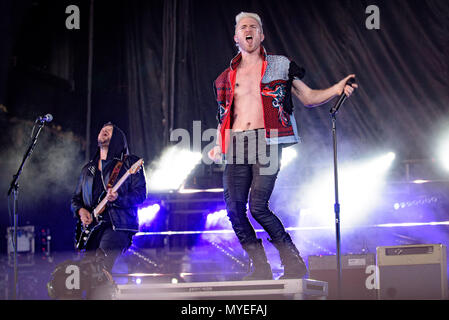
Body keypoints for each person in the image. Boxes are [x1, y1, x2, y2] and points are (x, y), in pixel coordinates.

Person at [208, 12, 357, 280]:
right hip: (236, 143)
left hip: (267, 140)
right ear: (236, 37)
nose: (249, 29)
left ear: (261, 35)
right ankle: (261, 267)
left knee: (258, 207)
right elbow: (224, 116)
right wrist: (219, 144)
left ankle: (293, 262)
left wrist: (336, 89)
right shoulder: (225, 78)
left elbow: (309, 97)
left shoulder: (280, 65)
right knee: (233, 209)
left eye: (254, 26)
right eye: (243, 27)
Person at [71, 122, 147, 276]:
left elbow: (140, 195)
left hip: (117, 226)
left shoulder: (129, 163)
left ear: (118, 138)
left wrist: (118, 198)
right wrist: (81, 211)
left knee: (100, 267)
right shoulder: (88, 169)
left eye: (110, 131)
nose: (104, 130)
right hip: (92, 228)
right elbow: (76, 199)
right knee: (86, 273)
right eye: (103, 129)